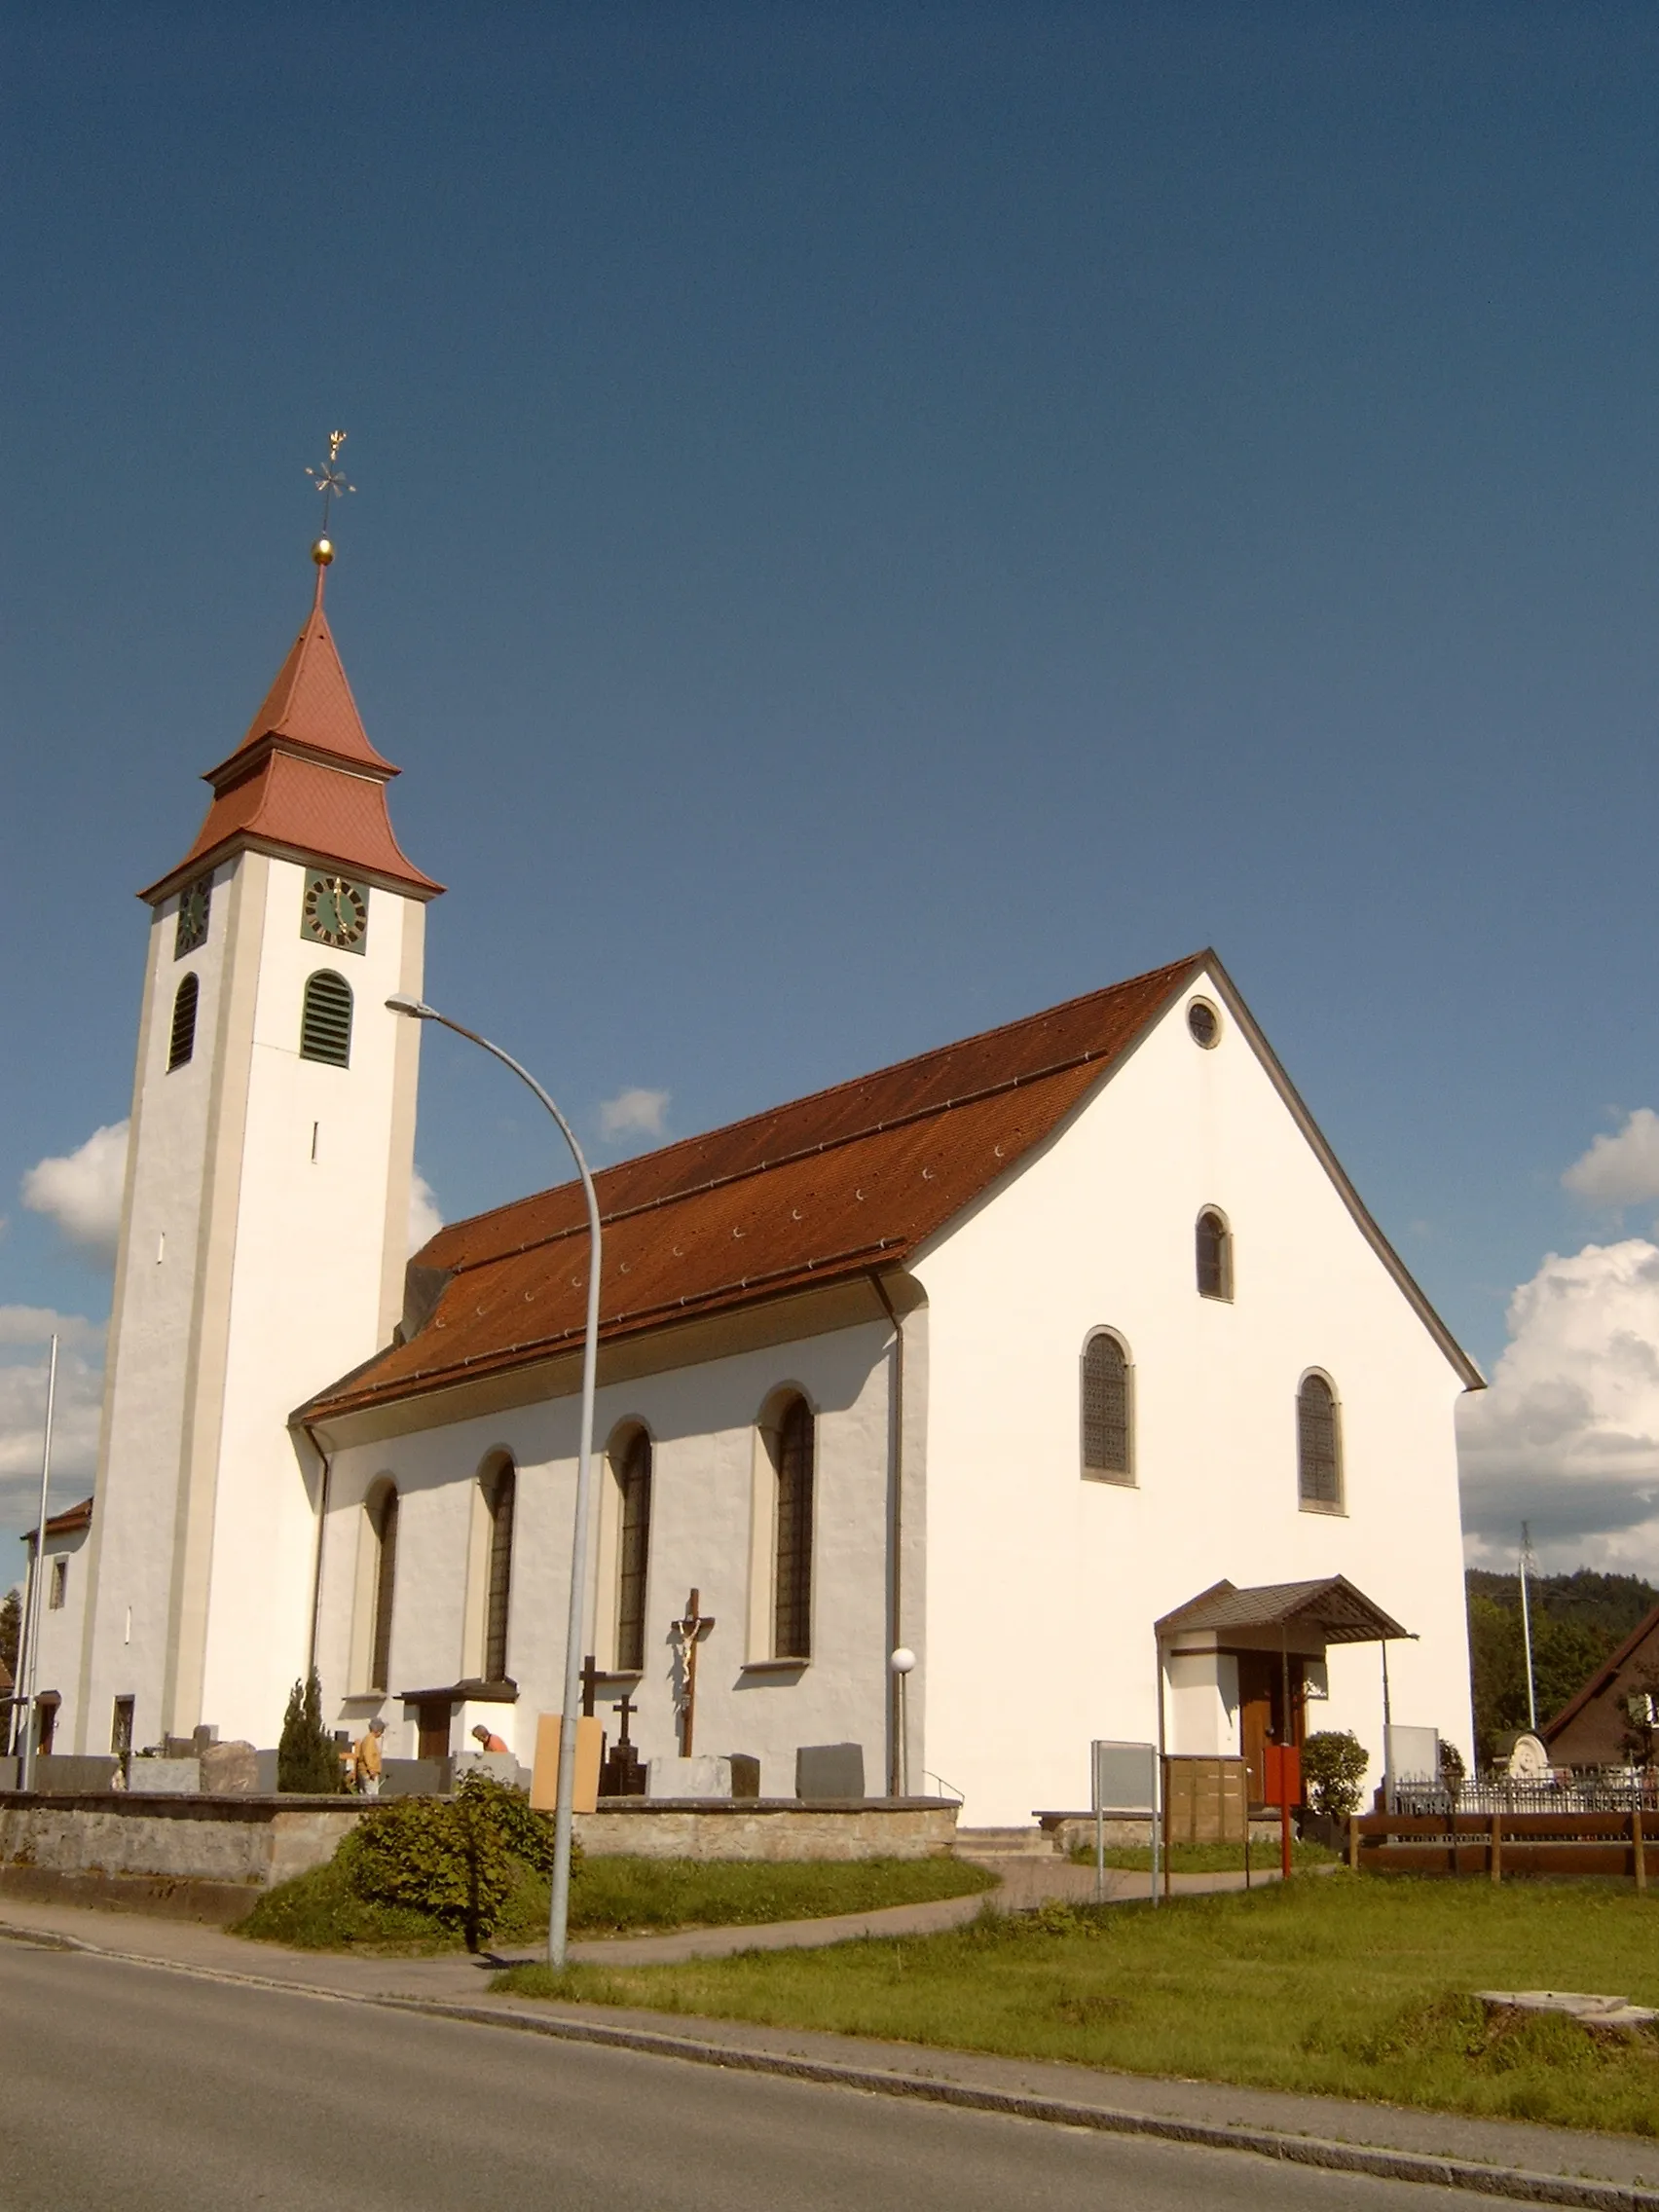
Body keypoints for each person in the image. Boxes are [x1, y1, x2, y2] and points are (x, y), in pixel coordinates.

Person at [353, 1716, 387, 1795]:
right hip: (368, 1773)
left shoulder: (367, 1739)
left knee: (365, 1795)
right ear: (378, 1730)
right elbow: (367, 1755)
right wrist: (371, 1770)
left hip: (365, 1771)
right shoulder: (370, 1740)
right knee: (371, 1796)